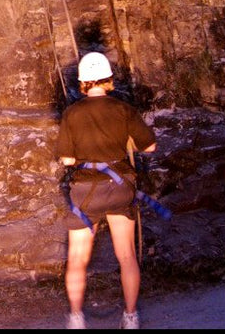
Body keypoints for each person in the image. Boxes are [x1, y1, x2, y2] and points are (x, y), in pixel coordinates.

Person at [55, 52, 157, 329]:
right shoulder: (123, 109)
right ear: (109, 79)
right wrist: (126, 146)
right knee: (126, 255)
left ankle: (76, 319)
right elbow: (149, 147)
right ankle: (131, 316)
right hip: (120, 185)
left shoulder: (72, 113)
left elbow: (66, 159)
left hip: (87, 190)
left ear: (82, 83)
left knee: (77, 257)